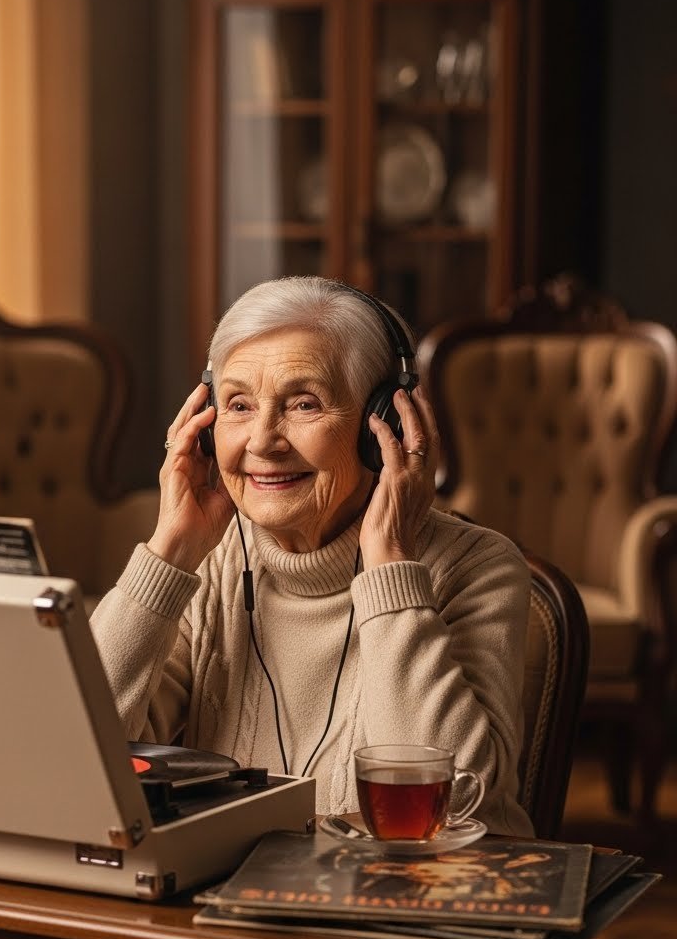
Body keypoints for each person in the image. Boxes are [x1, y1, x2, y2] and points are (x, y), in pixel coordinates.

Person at [91, 276, 533, 836]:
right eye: (239, 405)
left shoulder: (477, 567)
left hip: (393, 904)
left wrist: (390, 563)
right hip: (221, 899)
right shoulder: (212, 561)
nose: (261, 442)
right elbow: (70, 754)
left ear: (385, 426)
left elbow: (456, 804)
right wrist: (170, 552)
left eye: (304, 404)